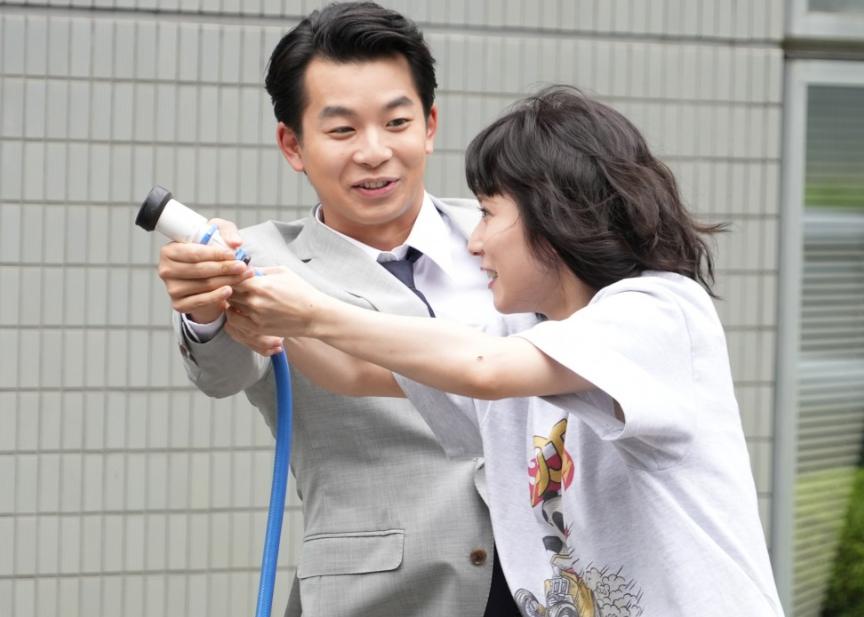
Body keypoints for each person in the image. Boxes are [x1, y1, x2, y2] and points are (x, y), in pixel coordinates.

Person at [225, 87, 787, 616]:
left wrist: (312, 313)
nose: (474, 241)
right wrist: (238, 294)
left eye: (488, 213)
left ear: (554, 213)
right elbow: (353, 371)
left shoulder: (657, 312)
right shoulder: (518, 339)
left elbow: (482, 368)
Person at [157, 3, 526, 616]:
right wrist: (205, 307)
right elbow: (223, 372)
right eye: (342, 130)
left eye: (397, 122)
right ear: (293, 144)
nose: (374, 152)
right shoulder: (257, 260)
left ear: (430, 125)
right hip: (380, 595)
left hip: (550, 581)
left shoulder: (509, 233)